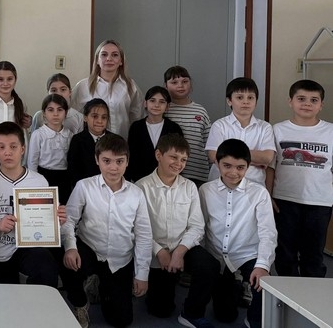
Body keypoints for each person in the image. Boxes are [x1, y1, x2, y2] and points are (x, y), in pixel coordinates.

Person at [61, 134, 151, 328]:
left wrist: (142, 274)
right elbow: (69, 220)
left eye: (119, 161)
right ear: (97, 160)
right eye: (107, 161)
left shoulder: (137, 193)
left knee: (121, 320)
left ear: (127, 161)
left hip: (120, 259)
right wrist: (70, 247)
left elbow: (144, 235)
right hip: (90, 249)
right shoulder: (84, 186)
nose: (113, 167)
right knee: (68, 263)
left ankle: (98, 287)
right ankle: (80, 303)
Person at [134, 134, 218, 325]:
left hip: (183, 248)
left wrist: (180, 252)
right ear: (158, 155)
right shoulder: (141, 187)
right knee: (160, 310)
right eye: (173, 157)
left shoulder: (189, 187)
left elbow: (197, 226)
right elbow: (137, 229)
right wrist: (159, 251)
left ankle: (192, 312)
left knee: (209, 265)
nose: (179, 164)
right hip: (155, 252)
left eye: (183, 159)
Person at [198, 139, 276, 328]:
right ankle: (236, 286)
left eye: (240, 167)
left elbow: (268, 232)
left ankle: (253, 318)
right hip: (218, 255)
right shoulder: (205, 190)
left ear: (248, 167)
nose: (233, 172)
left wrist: (263, 265)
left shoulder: (259, 193)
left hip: (246, 254)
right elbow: (201, 226)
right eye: (227, 166)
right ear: (217, 163)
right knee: (225, 315)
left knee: (264, 283)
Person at [0, 122, 66, 285]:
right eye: (1, 147)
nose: (7, 152)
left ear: (23, 149)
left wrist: (56, 221)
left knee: (46, 267)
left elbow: (47, 223)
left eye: (13, 147)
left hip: (28, 246)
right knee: (1, 297)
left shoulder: (39, 181)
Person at [268, 80, 333, 278]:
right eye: (301, 98)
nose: (307, 104)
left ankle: (310, 295)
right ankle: (286, 295)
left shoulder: (330, 131)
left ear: (321, 105)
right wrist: (268, 195)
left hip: (319, 202)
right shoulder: (277, 130)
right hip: (284, 200)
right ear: (290, 101)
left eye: (314, 100)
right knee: (284, 254)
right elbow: (271, 167)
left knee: (313, 256)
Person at [205, 77, 275, 188]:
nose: (245, 102)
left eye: (250, 97)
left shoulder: (265, 127)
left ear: (256, 101)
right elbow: (214, 156)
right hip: (220, 185)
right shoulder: (219, 125)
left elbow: (267, 158)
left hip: (253, 186)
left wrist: (227, 156)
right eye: (239, 97)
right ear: (229, 101)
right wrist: (253, 159)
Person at [71, 40, 143, 139]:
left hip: (122, 142)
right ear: (97, 60)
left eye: (115, 55)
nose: (109, 59)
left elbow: (137, 116)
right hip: (92, 144)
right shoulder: (83, 86)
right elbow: (73, 116)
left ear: (121, 61)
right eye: (104, 55)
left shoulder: (130, 85)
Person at [163, 66, 212, 185]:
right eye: (174, 82)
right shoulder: (163, 110)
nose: (180, 85)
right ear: (166, 86)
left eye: (185, 81)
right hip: (170, 172)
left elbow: (209, 143)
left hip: (198, 172)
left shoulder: (200, 111)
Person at [126, 86, 183, 182]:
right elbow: (130, 155)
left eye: (162, 102)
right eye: (152, 101)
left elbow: (178, 154)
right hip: (139, 179)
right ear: (145, 103)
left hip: (166, 179)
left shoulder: (174, 128)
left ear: (167, 106)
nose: (156, 105)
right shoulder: (136, 127)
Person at [26, 94, 74, 204]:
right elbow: (32, 161)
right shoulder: (38, 134)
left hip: (64, 178)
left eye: (60, 110)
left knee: (62, 206)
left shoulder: (70, 135)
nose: (55, 114)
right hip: (44, 175)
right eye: (51, 110)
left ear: (66, 113)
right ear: (44, 113)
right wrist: (35, 181)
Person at [67, 98, 117, 187]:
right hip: (86, 188)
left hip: (110, 187)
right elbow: (73, 171)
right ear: (85, 117)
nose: (99, 121)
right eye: (95, 116)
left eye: (104, 117)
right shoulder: (77, 140)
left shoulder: (115, 140)